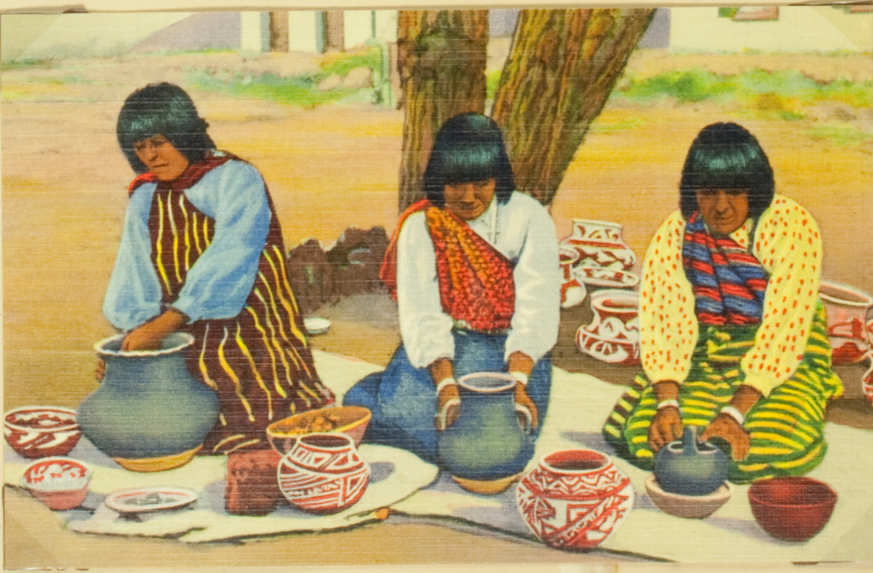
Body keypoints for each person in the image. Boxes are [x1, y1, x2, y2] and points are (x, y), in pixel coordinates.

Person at [603, 122, 843, 483]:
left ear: (755, 190)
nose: (720, 206)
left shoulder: (789, 225)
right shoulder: (678, 233)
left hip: (781, 351)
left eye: (734, 191)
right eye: (708, 192)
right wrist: (667, 403)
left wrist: (735, 412)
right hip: (707, 348)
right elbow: (666, 321)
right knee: (651, 435)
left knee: (777, 439)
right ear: (693, 192)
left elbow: (785, 328)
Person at [102, 82, 334, 455]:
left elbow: (233, 255)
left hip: (245, 319)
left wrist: (168, 323)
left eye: (158, 142)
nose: (150, 156)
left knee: (247, 415)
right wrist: (131, 339)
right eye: (140, 147)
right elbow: (135, 270)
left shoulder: (235, 178)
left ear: (184, 134)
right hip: (175, 326)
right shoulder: (145, 195)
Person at [343, 113, 561, 464]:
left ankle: (381, 392)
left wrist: (518, 383)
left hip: (512, 352)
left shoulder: (529, 216)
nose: (469, 196)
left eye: (481, 183)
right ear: (438, 180)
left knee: (501, 441)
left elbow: (538, 305)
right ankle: (384, 393)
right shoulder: (421, 225)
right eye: (455, 183)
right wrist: (445, 387)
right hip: (445, 350)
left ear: (498, 178)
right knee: (423, 427)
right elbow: (423, 312)